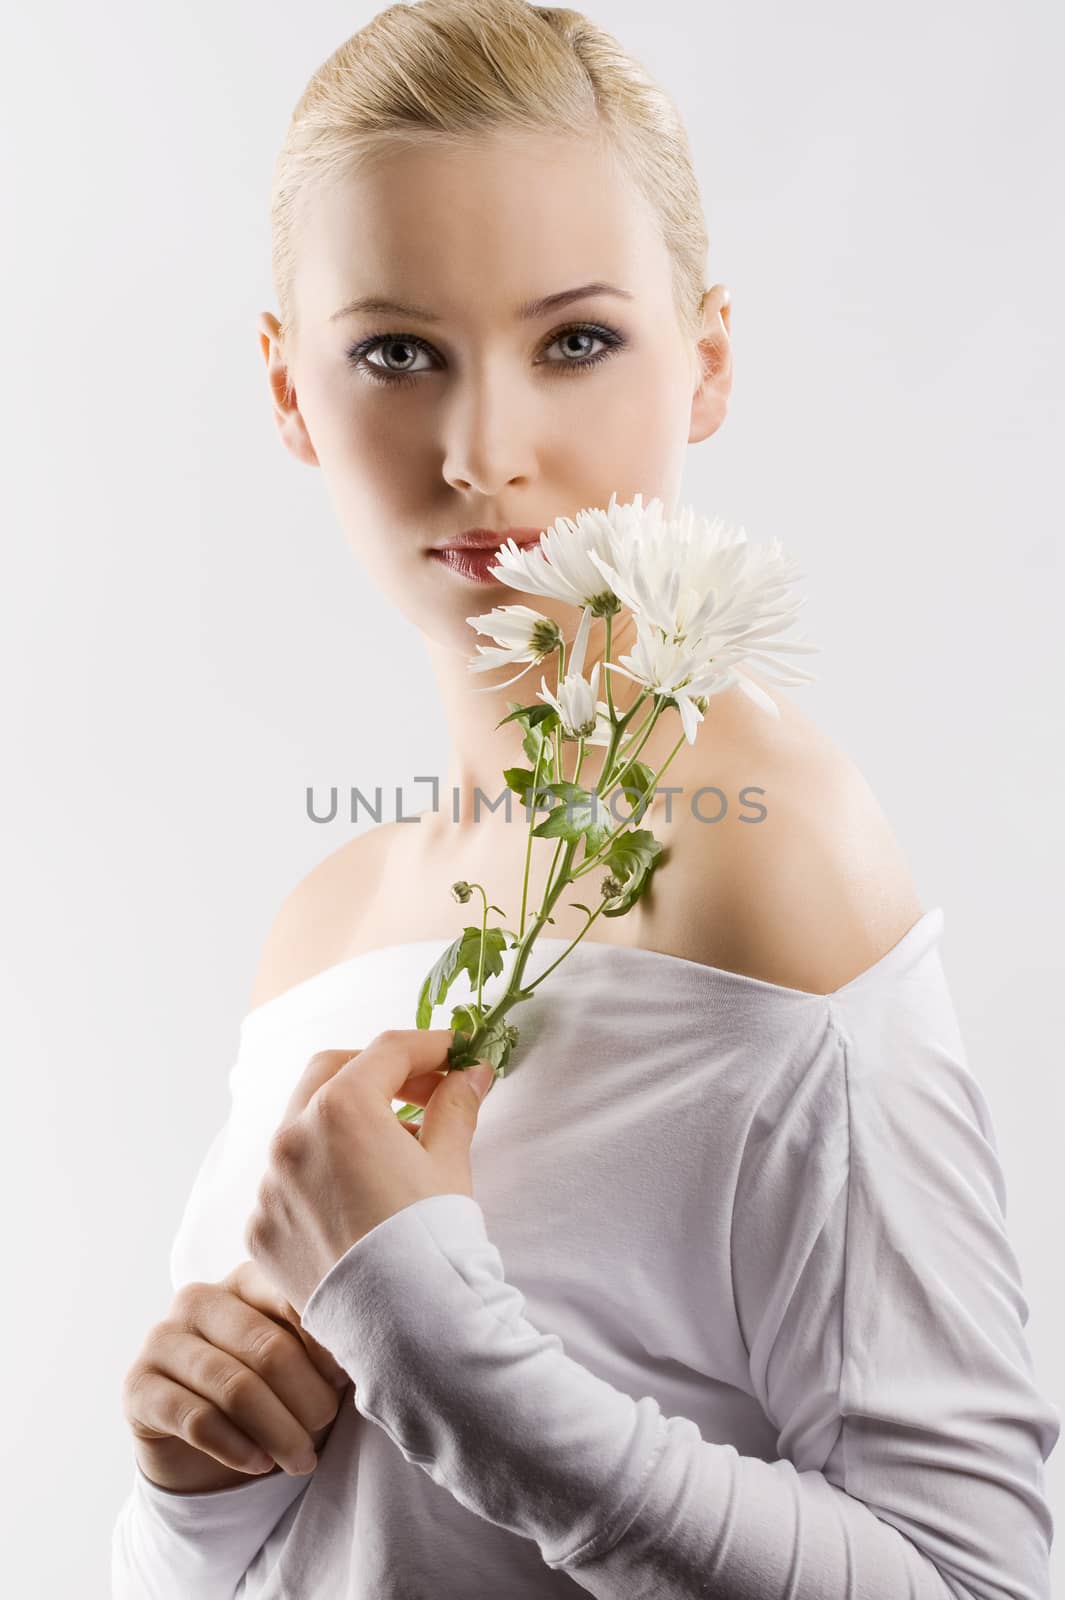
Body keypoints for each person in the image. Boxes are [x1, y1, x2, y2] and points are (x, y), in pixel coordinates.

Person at [111, 1, 1059, 1595]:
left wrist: (449, 1351)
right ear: (288, 389)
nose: (484, 450)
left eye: (575, 340)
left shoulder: (772, 860)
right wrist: (189, 1494)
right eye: (395, 352)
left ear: (708, 361)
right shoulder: (321, 928)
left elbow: (972, 1578)